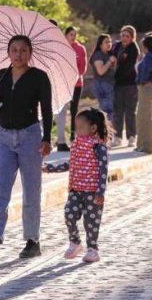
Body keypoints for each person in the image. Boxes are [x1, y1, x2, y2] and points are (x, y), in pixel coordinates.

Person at [0, 35, 53, 262]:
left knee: (31, 190)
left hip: (30, 137)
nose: (18, 54)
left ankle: (32, 241)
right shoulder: (1, 75)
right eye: (14, 50)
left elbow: (46, 109)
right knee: (1, 189)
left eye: (23, 50)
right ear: (8, 53)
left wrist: (47, 139)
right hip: (4, 137)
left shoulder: (39, 77)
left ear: (30, 53)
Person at [43, 108, 109, 263]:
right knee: (69, 214)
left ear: (93, 128)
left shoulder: (99, 146)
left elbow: (103, 170)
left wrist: (100, 192)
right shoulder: (76, 144)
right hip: (75, 190)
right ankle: (75, 242)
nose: (76, 130)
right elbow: (71, 163)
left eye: (80, 127)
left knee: (91, 222)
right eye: (75, 127)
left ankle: (92, 249)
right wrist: (51, 168)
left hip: (93, 192)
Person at [56, 26, 88, 153]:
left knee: (74, 111)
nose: (73, 37)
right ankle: (61, 140)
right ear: (66, 35)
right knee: (61, 112)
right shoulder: (60, 47)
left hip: (76, 84)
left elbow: (83, 68)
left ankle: (74, 137)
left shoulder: (80, 48)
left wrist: (74, 76)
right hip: (63, 84)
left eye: (75, 34)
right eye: (71, 34)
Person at [112, 25, 139, 148]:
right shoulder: (117, 46)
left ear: (132, 37)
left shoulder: (133, 48)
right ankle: (117, 137)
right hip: (117, 84)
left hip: (130, 84)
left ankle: (131, 137)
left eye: (127, 36)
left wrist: (115, 73)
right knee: (118, 112)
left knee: (130, 112)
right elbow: (111, 58)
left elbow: (128, 67)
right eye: (122, 35)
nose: (124, 38)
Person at [135, 34, 152, 154]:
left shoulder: (150, 57)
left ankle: (147, 147)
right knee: (141, 117)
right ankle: (141, 144)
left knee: (145, 119)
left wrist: (142, 81)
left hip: (147, 89)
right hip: (149, 89)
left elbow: (146, 72)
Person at [90, 34, 117, 117]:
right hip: (102, 85)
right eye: (106, 42)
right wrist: (109, 62)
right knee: (107, 111)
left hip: (109, 85)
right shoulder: (98, 55)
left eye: (110, 41)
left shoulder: (109, 55)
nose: (109, 44)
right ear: (100, 45)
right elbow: (100, 71)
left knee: (109, 110)